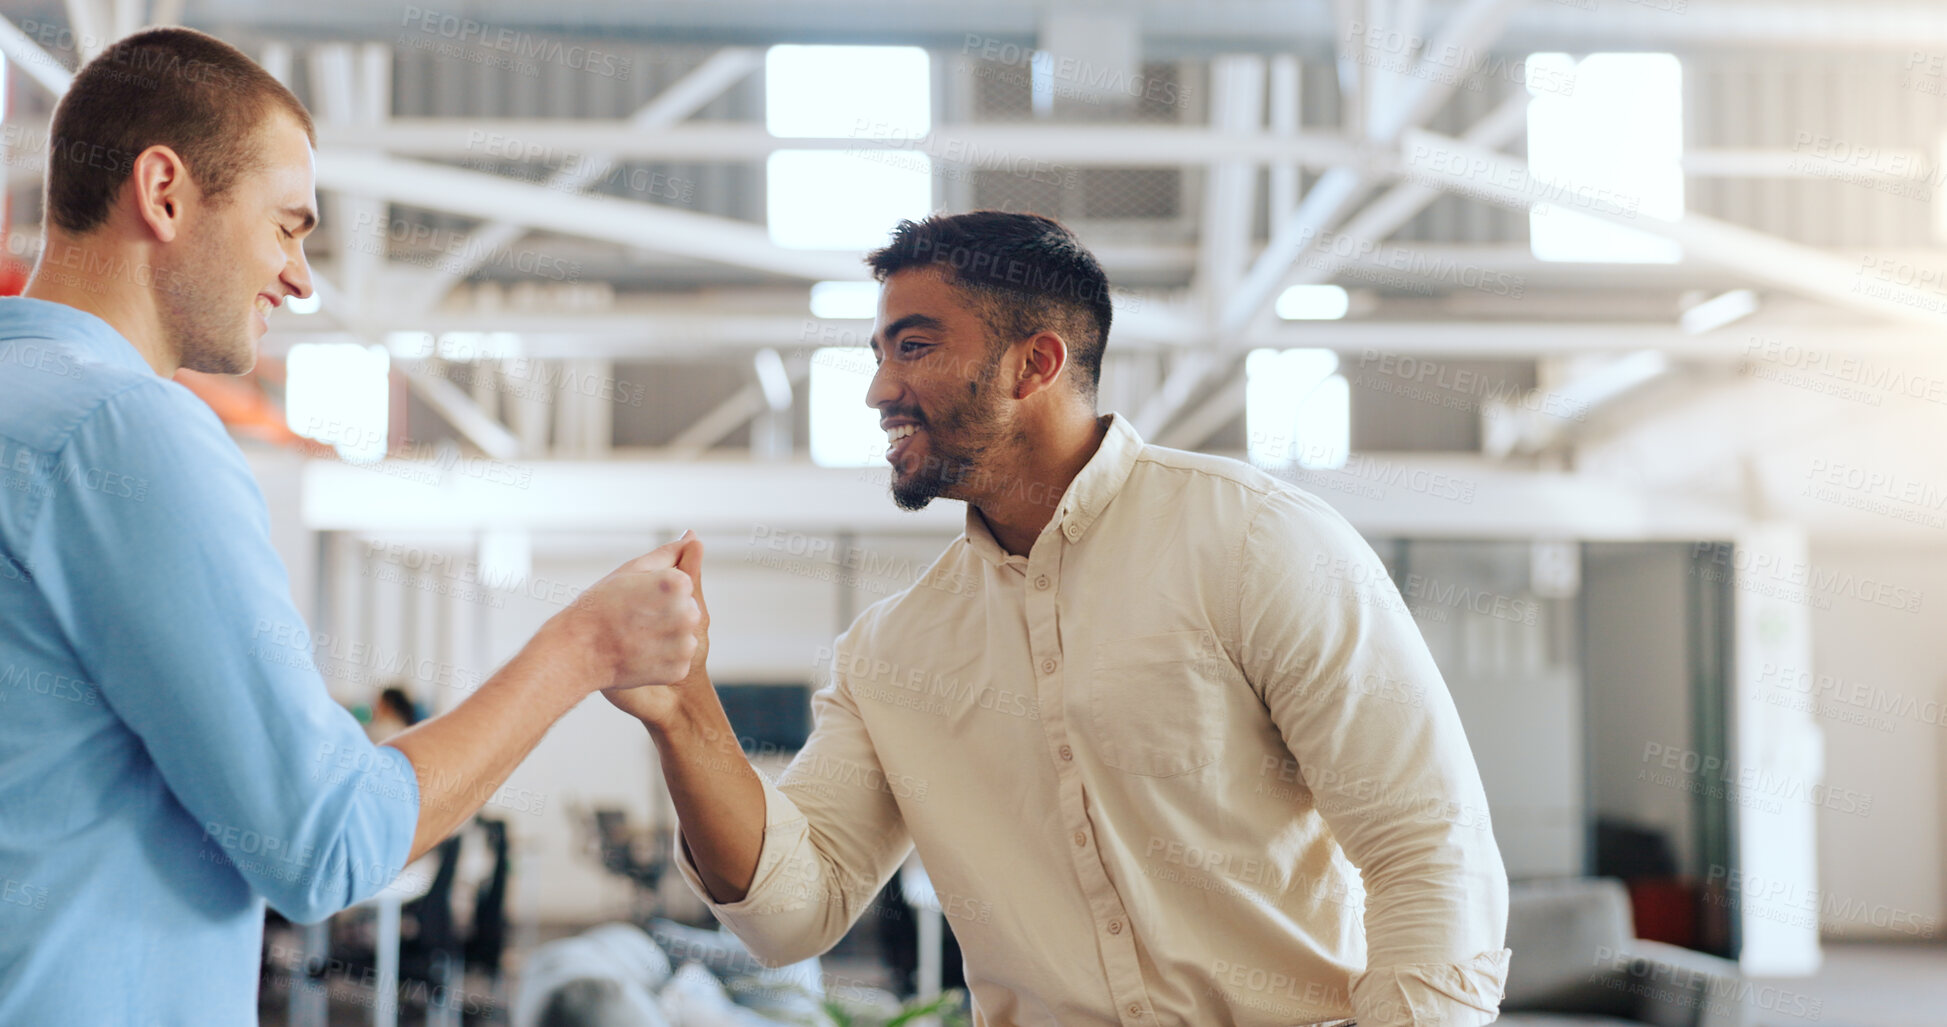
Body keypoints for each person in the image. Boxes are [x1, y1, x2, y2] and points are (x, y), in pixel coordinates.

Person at [603, 211, 1510, 1026]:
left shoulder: (1257, 544)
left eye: (912, 347)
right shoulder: (893, 650)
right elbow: (792, 911)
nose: (879, 390)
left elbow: (1428, 849)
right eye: (879, 353)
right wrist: (685, 713)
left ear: (1033, 363)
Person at [0, 27, 700, 1023]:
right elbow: (324, 843)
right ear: (164, 193)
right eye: (287, 226)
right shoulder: (126, 428)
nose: (299, 276)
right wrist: (585, 645)